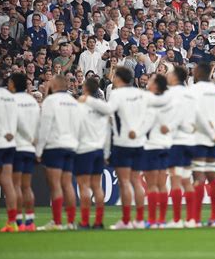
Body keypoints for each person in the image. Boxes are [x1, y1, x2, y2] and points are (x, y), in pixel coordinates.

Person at [81, 67, 147, 230]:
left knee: (124, 182)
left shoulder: (117, 94)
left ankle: (125, 221)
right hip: (139, 142)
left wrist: (88, 100)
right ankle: (139, 220)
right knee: (136, 181)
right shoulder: (141, 94)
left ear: (118, 79)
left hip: (123, 143)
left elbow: (108, 110)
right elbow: (148, 116)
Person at [36, 75, 81, 231]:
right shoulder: (73, 102)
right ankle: (70, 222)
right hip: (71, 146)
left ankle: (56, 222)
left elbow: (45, 126)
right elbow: (78, 126)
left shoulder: (50, 101)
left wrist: (39, 149)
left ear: (54, 85)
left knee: (55, 185)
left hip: (55, 146)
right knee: (68, 184)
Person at [191, 62, 215, 226]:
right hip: (214, 140)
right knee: (212, 177)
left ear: (198, 73)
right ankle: (214, 217)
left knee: (198, 177)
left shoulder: (193, 90)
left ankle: (195, 218)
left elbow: (196, 115)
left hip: (199, 138)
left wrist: (211, 133)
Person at [75, 78, 110, 229]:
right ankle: (98, 222)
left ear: (85, 89)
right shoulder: (102, 108)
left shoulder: (79, 106)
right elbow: (108, 130)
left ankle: (84, 222)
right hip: (99, 150)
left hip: (84, 149)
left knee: (84, 186)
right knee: (97, 187)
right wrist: (107, 152)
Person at [164, 66, 197, 228]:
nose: (167, 76)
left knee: (175, 179)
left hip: (176, 141)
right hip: (190, 141)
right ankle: (190, 219)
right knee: (186, 179)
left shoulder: (171, 93)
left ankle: (177, 220)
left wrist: (169, 127)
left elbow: (175, 115)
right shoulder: (191, 93)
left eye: (169, 73)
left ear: (175, 77)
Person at [8, 73, 39, 232]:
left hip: (17, 147)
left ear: (13, 84)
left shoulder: (12, 101)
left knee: (15, 186)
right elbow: (38, 123)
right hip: (30, 149)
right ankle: (31, 222)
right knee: (27, 187)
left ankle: (18, 222)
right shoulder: (33, 101)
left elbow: (16, 123)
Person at [140, 74, 171, 229]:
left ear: (156, 85)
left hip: (152, 146)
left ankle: (152, 220)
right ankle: (162, 219)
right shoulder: (168, 102)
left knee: (151, 185)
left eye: (151, 81)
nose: (148, 82)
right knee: (162, 184)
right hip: (165, 146)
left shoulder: (150, 102)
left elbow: (146, 124)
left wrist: (134, 133)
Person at [0, 68, 18, 232]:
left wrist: (2, 133)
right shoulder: (9, 95)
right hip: (10, 144)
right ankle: (12, 223)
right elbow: (15, 118)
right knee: (7, 181)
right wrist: (10, 134)